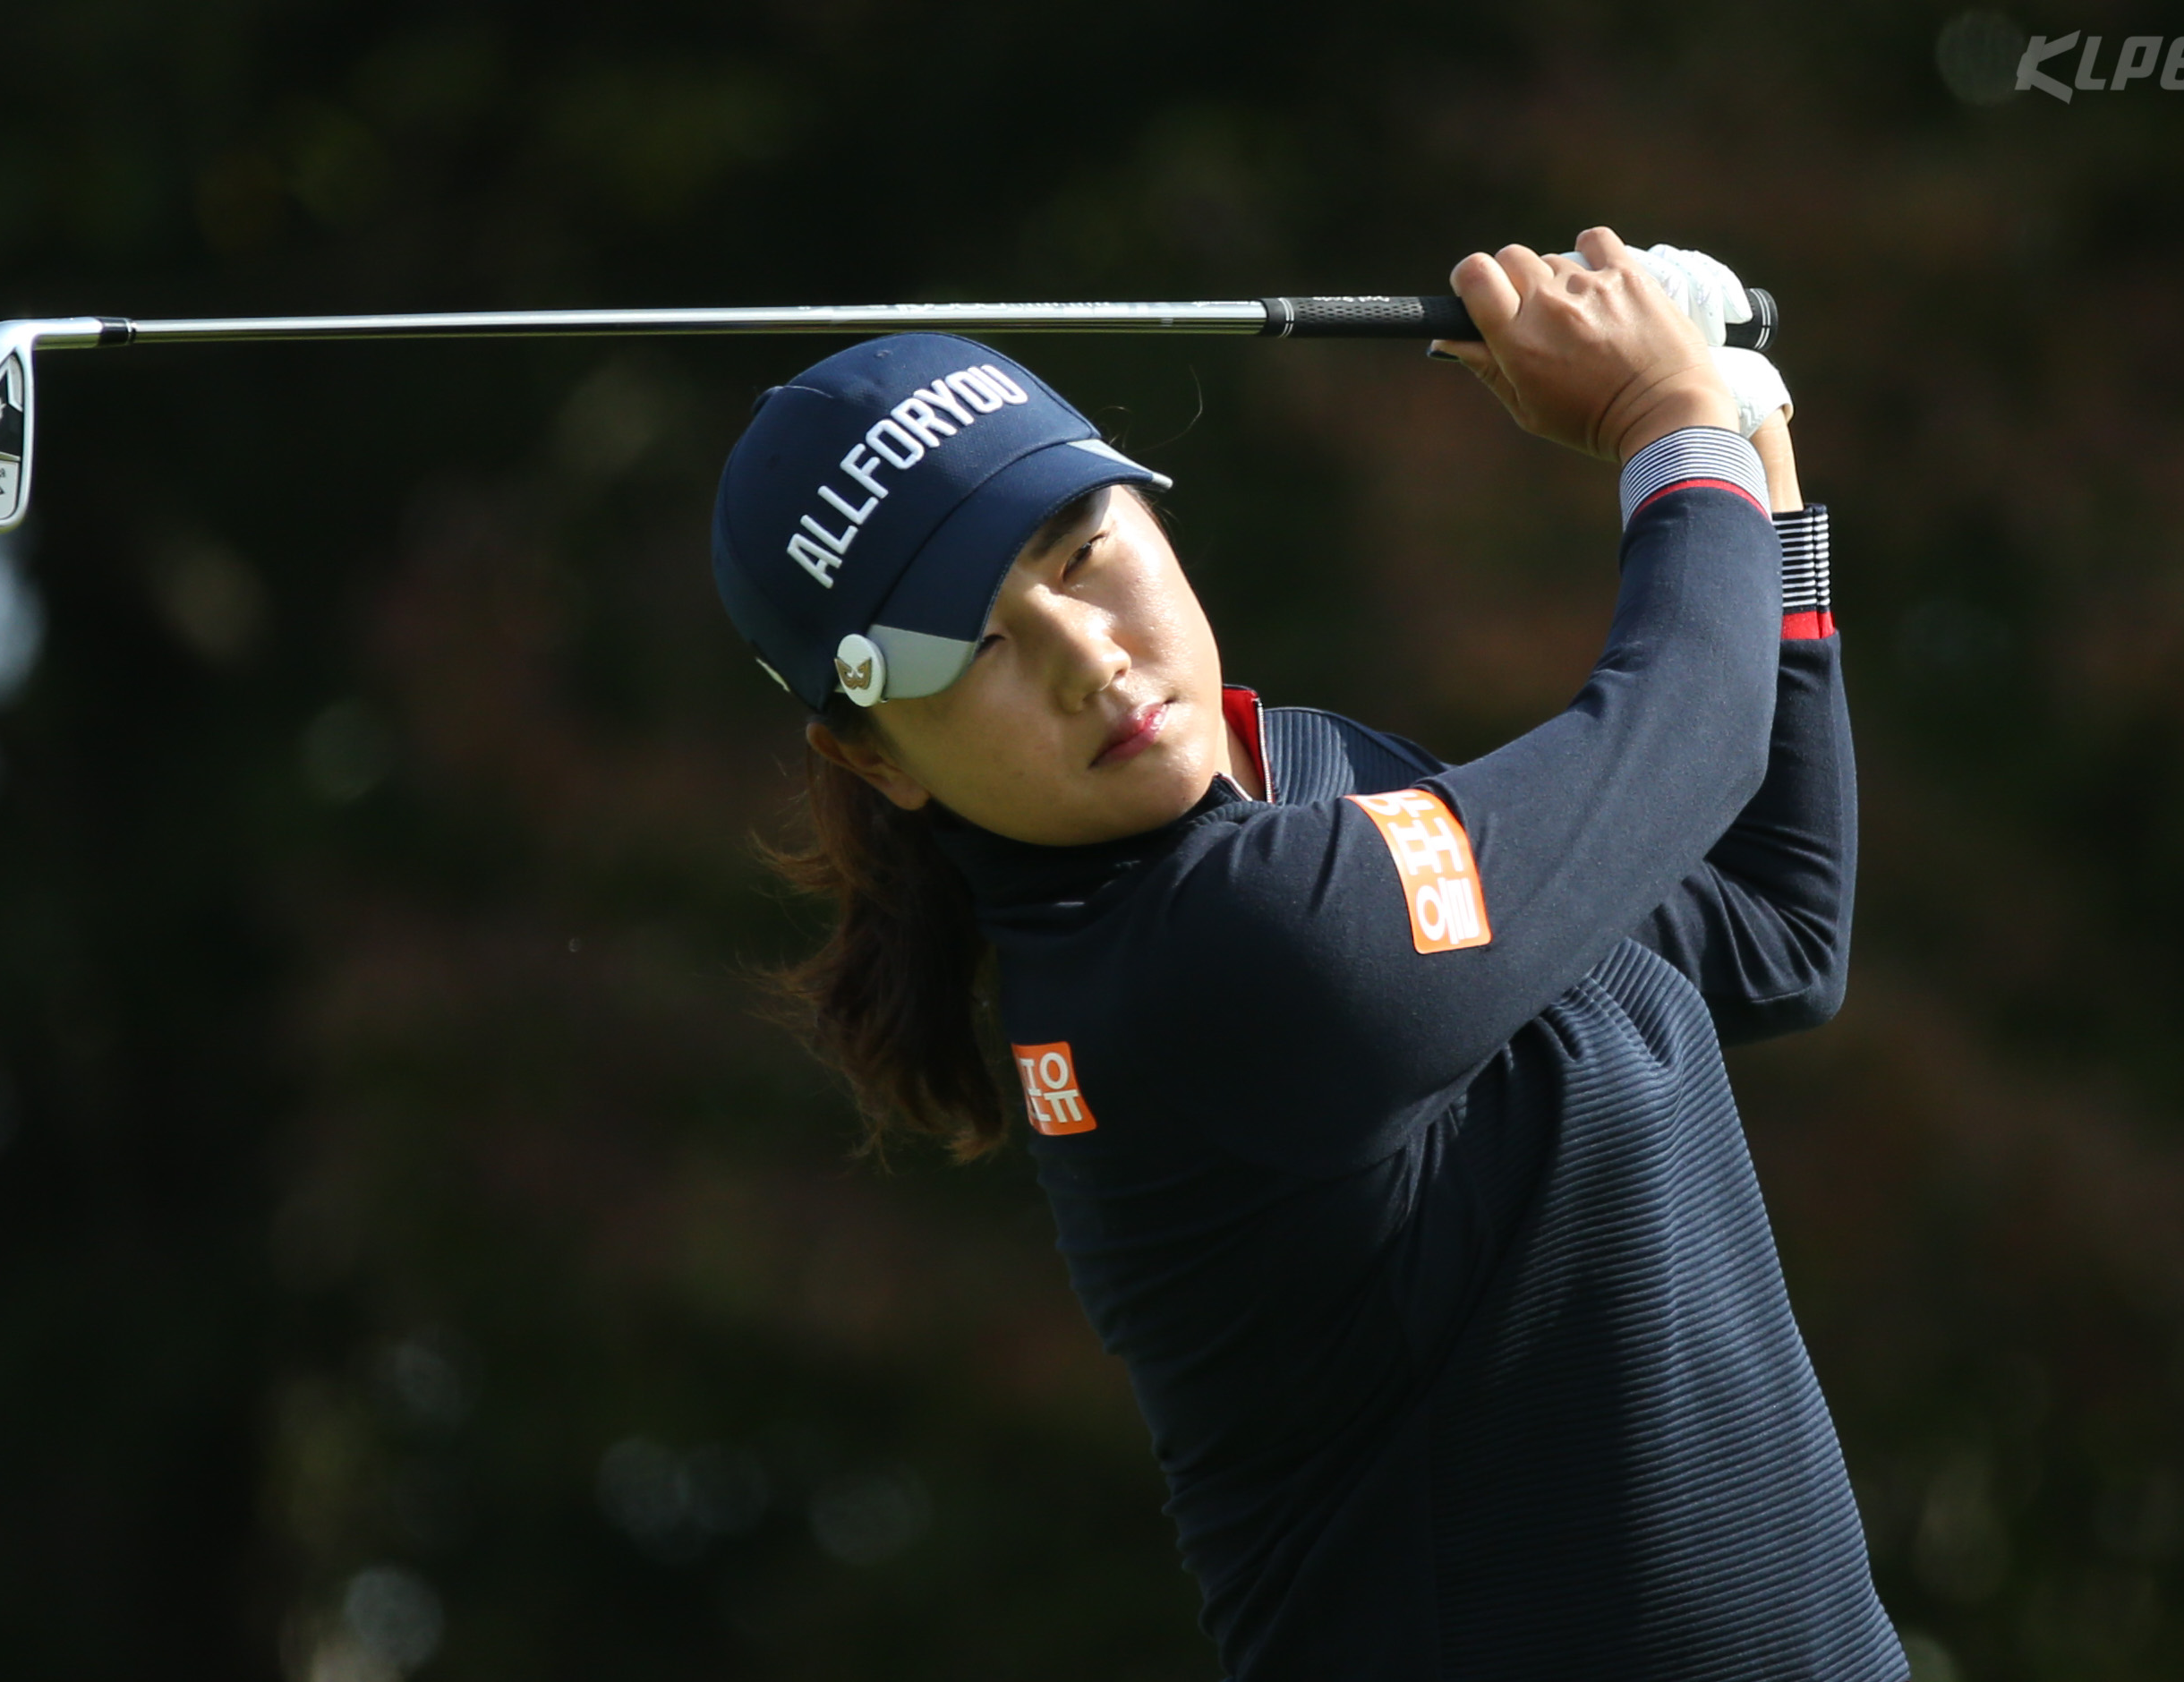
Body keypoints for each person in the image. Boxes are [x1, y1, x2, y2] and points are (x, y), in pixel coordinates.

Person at [709, 228, 1903, 1679]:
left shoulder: (1313, 781)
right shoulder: (1212, 956)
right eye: (971, 649)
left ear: (1152, 514)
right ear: (878, 758)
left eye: (1081, 553)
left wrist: (1749, 435)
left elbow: (1771, 931)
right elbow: (1691, 731)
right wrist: (1666, 419)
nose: (1088, 656)